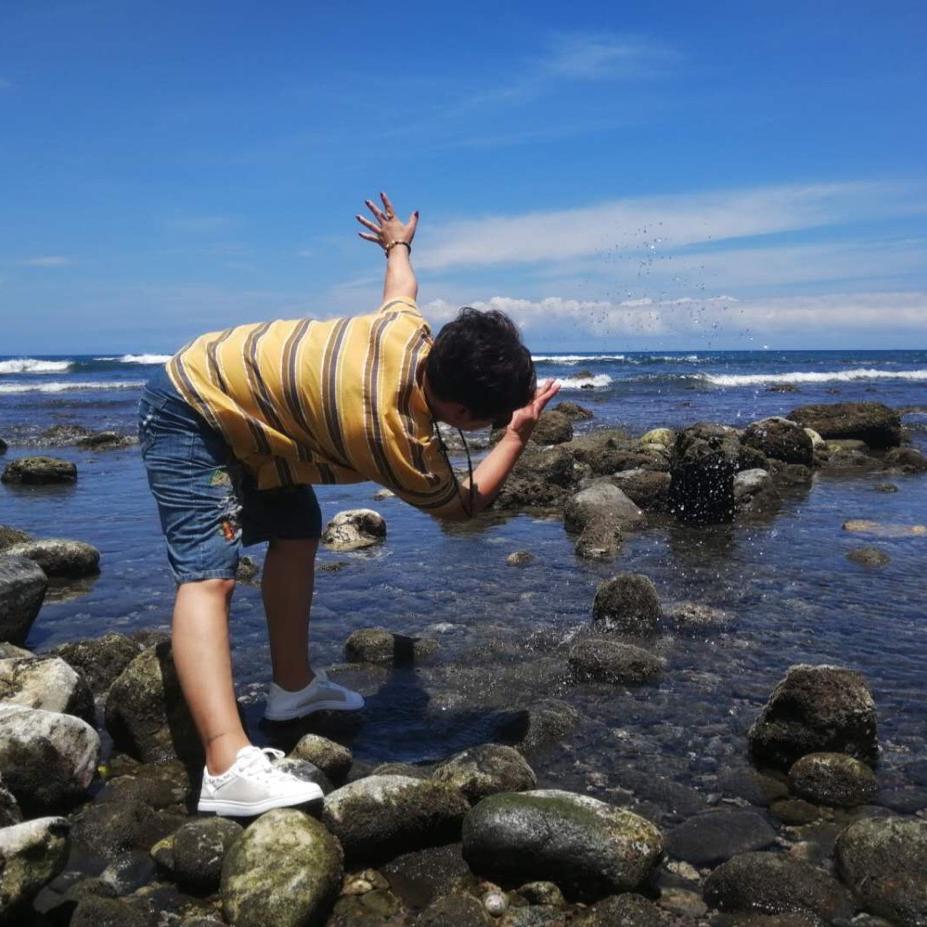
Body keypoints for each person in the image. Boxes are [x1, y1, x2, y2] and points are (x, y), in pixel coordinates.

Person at [138, 193, 560, 816]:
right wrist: (519, 434)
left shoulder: (407, 332)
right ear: (463, 414)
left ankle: (292, 688)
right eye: (489, 420)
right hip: (189, 408)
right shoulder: (399, 441)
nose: (491, 427)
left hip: (247, 407)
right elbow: (465, 506)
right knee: (209, 576)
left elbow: (401, 285)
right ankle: (225, 765)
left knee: (298, 531)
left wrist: (398, 243)